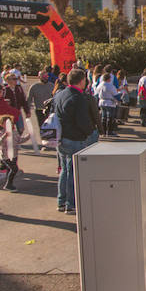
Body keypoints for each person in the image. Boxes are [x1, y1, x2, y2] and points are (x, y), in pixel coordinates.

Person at [53, 69, 97, 214]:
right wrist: (90, 131)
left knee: (65, 170)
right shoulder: (78, 97)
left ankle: (62, 200)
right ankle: (70, 203)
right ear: (81, 81)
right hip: (74, 138)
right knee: (73, 171)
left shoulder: (60, 94)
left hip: (61, 138)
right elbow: (83, 120)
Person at [0, 113, 26, 192]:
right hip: (5, 156)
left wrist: (29, 136)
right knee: (14, 169)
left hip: (14, 154)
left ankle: (9, 183)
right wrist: (5, 136)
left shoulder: (14, 132)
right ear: (2, 124)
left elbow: (20, 140)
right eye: (5, 123)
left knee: (10, 170)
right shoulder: (1, 133)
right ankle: (8, 185)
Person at [94, 72, 120, 137]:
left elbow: (96, 94)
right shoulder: (110, 86)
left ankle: (103, 131)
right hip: (110, 103)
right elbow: (116, 95)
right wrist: (119, 100)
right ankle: (109, 131)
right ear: (109, 79)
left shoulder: (100, 85)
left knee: (103, 117)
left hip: (102, 102)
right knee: (110, 117)